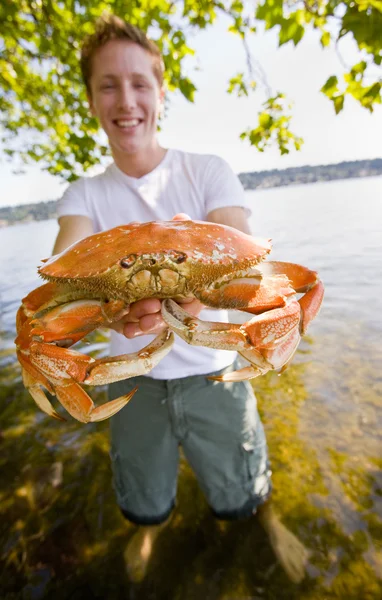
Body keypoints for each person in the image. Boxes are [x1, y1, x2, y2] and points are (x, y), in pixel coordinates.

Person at [52, 14, 308, 584]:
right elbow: (62, 265)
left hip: (215, 370)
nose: (126, 99)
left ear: (161, 92)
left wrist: (210, 297)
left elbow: (258, 261)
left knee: (243, 477)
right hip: (129, 380)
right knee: (142, 485)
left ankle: (265, 518)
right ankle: (147, 528)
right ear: (91, 100)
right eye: (108, 85)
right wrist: (102, 307)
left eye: (140, 82)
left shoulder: (207, 171)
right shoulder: (85, 194)